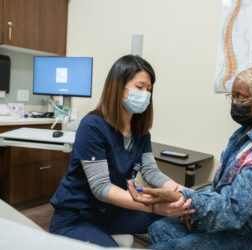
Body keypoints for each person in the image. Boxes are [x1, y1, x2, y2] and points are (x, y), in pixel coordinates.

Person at [129, 66, 252, 249]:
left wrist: (185, 198)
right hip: (232, 225)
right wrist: (190, 208)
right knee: (159, 229)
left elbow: (233, 209)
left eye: (241, 97)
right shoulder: (242, 135)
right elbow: (221, 189)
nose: (235, 103)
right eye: (232, 96)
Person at [49, 55, 194, 247]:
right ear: (118, 87)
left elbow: (150, 172)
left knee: (179, 220)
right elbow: (101, 188)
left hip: (113, 212)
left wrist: (186, 194)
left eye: (149, 89)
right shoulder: (92, 126)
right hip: (76, 216)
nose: (145, 94)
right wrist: (154, 207)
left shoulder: (141, 132)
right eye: (139, 87)